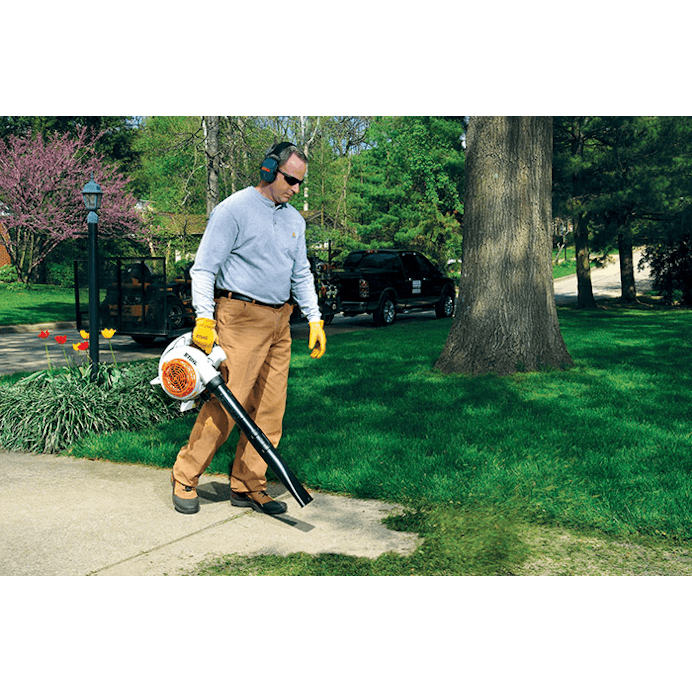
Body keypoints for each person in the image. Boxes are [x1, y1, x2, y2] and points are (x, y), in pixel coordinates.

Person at [171, 141, 326, 516]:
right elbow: (204, 268)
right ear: (269, 169)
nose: (295, 189)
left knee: (270, 410)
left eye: (300, 183)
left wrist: (314, 317)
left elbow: (300, 272)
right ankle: (185, 475)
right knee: (227, 405)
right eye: (291, 179)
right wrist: (204, 317)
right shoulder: (234, 210)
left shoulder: (294, 220)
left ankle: (248, 484)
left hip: (279, 321)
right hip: (239, 317)